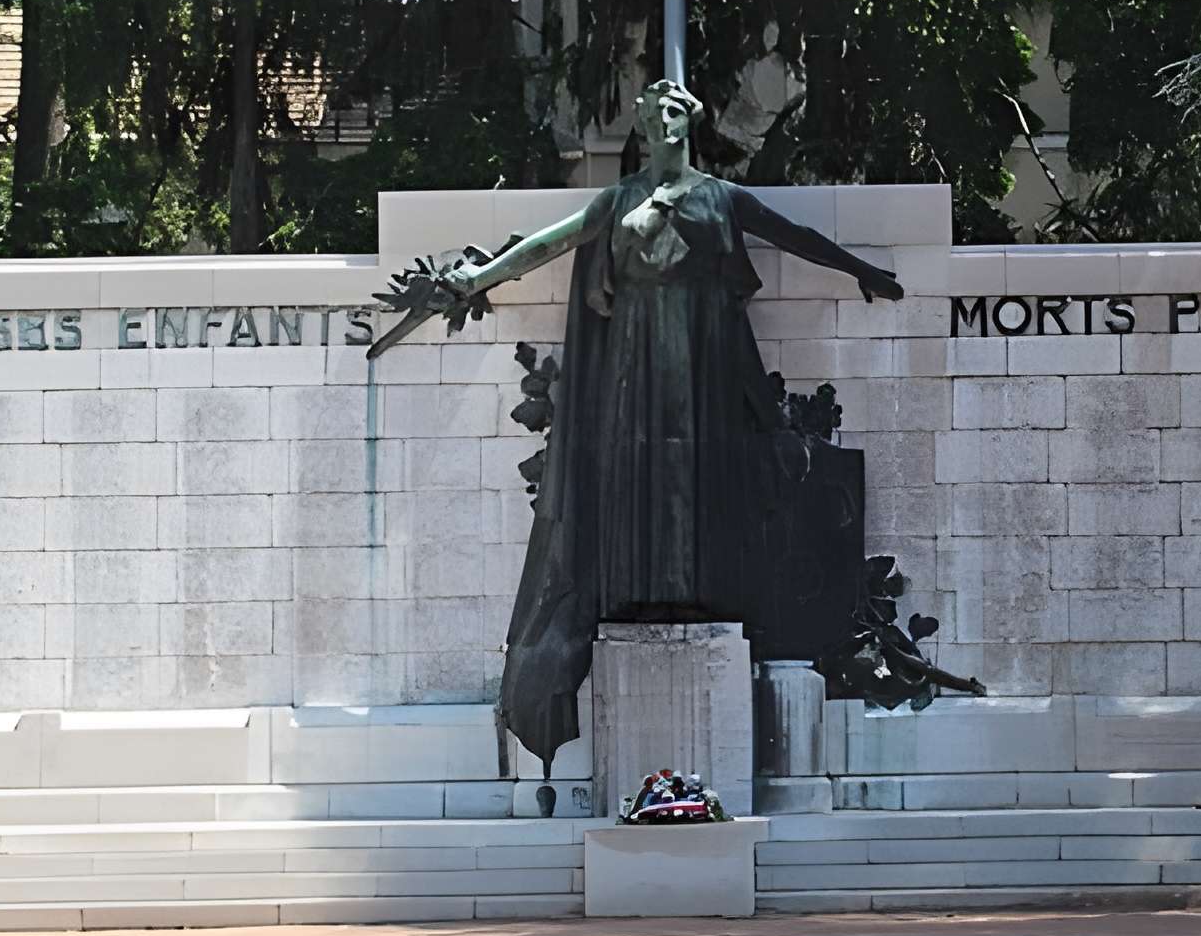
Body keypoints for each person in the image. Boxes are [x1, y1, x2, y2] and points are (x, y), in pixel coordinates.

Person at [384, 82, 904, 764]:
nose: (662, 120)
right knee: (640, 478)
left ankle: (696, 594)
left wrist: (861, 269)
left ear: (693, 120)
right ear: (641, 125)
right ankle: (640, 594)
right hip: (632, 355)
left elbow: (794, 235)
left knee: (698, 479)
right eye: (652, 111)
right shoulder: (619, 198)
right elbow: (547, 243)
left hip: (703, 358)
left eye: (674, 110)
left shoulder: (721, 196)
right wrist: (478, 277)